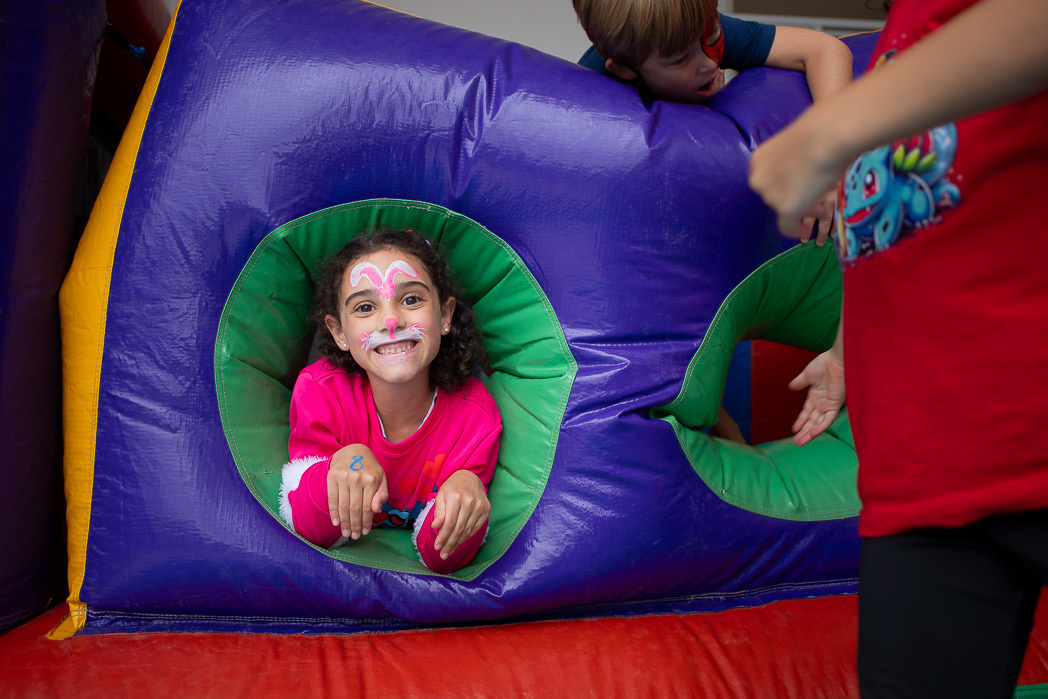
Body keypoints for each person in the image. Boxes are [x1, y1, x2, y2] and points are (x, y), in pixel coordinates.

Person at [748, 0, 1048, 695]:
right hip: (924, 477)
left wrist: (831, 128)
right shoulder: (906, 30)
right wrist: (847, 350)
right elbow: (916, 228)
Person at [278, 229, 502, 575]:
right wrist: (342, 463)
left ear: (445, 316)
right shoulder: (321, 391)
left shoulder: (476, 417)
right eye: (366, 307)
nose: (391, 321)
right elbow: (309, 525)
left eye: (411, 300)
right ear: (339, 332)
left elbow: (442, 558)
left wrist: (467, 493)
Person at [572, 0, 853, 109]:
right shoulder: (593, 90)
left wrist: (836, 150)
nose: (709, 63)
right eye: (681, 59)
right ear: (625, 69)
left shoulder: (702, 32)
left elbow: (825, 49)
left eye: (712, 35)